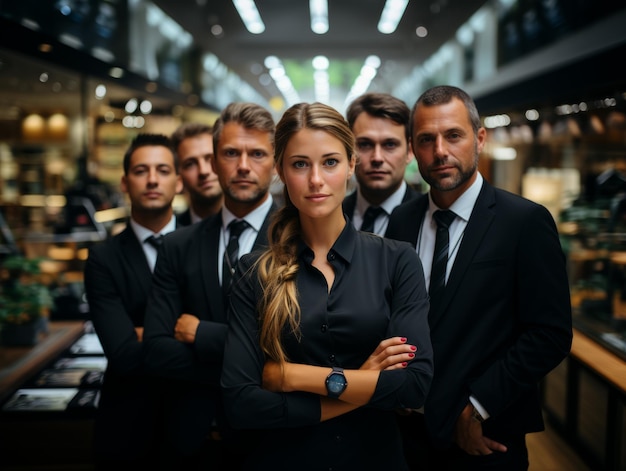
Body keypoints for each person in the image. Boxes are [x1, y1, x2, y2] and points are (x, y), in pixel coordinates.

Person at [221, 102, 434, 470]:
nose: (316, 179)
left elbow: (414, 385)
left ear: (352, 164)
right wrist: (365, 383)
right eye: (300, 164)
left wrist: (290, 375)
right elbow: (241, 402)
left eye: (330, 162)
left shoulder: (398, 260)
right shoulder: (253, 270)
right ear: (280, 171)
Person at [385, 85, 573, 471]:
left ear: (479, 138)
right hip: (403, 438)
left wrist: (478, 406)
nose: (440, 151)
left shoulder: (524, 222)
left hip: (480, 440)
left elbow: (549, 334)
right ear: (412, 149)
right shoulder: (402, 221)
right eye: (426, 140)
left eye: (453, 135)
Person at [142, 102, 278, 469]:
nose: (244, 165)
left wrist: (202, 335)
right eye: (231, 153)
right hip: (192, 440)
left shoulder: (299, 238)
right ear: (215, 162)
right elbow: (155, 349)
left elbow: (297, 349)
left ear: (276, 163)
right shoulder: (178, 245)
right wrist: (257, 366)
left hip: (273, 440)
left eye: (257, 153)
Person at [83, 133, 183, 469]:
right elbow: (123, 353)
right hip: (127, 429)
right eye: (141, 171)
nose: (152, 179)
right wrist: (186, 332)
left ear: (178, 182)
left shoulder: (205, 243)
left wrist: (146, 333)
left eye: (162, 170)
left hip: (194, 426)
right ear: (125, 183)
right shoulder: (102, 259)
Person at [343, 92, 420, 236]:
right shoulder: (331, 216)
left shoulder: (430, 219)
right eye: (365, 144)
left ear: (410, 151)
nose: (377, 158)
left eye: (390, 144)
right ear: (349, 152)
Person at [171, 122, 223, 225]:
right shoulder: (171, 236)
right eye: (190, 164)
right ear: (178, 175)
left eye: (210, 159)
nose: (204, 171)